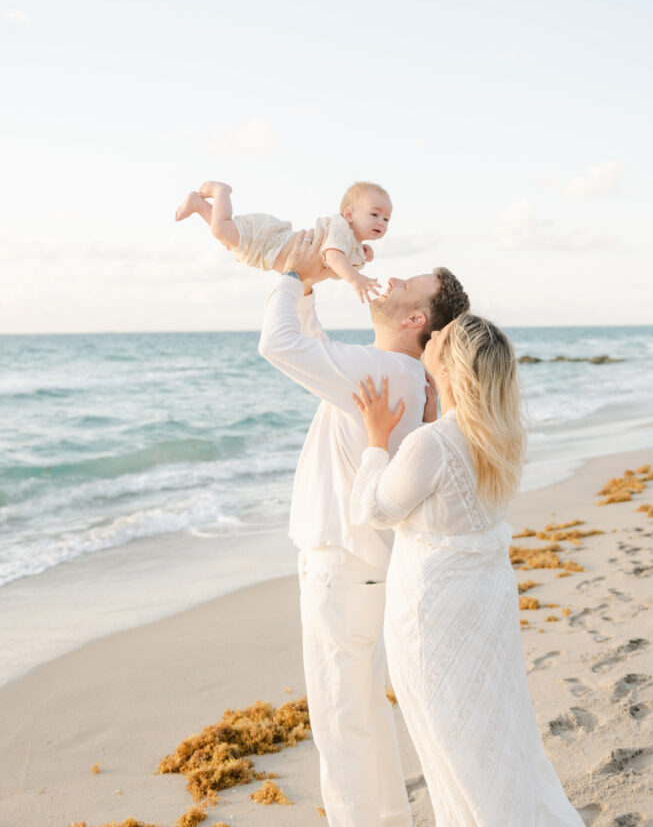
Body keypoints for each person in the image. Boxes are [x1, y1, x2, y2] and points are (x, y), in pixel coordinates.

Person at [257, 225, 470, 827]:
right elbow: (314, 346)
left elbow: (279, 345)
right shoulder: (396, 374)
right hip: (365, 567)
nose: (393, 279)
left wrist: (296, 277)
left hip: (343, 564)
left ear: (417, 320)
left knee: (341, 719)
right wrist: (311, 286)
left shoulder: (379, 373)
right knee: (361, 713)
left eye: (410, 285)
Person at [349, 314, 584, 827]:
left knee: (452, 741)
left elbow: (376, 511)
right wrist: (425, 420)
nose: (430, 336)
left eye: (441, 337)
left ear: (452, 367)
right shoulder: (500, 433)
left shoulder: (431, 443)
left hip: (436, 614)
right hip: (486, 599)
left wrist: (374, 438)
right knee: (497, 728)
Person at [175, 179, 392, 303]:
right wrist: (355, 279)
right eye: (374, 215)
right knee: (222, 229)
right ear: (349, 214)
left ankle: (197, 203)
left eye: (386, 219)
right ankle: (221, 191)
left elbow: (336, 263)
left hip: (266, 254)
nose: (381, 222)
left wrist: (362, 252)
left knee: (229, 239)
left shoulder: (350, 244)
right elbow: (334, 257)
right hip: (269, 240)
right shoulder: (340, 228)